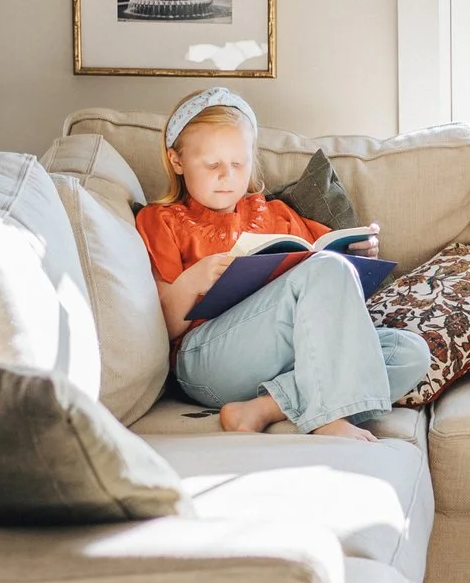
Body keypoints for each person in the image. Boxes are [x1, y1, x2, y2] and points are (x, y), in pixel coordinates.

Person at [135, 86, 429, 440]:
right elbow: (159, 330)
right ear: (177, 161)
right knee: (326, 272)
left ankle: (264, 409)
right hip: (206, 361)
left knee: (410, 352)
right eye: (212, 164)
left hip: (287, 358)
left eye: (238, 163)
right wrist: (192, 281)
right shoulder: (161, 220)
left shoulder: (274, 213)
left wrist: (359, 254)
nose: (227, 176)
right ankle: (328, 417)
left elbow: (325, 264)